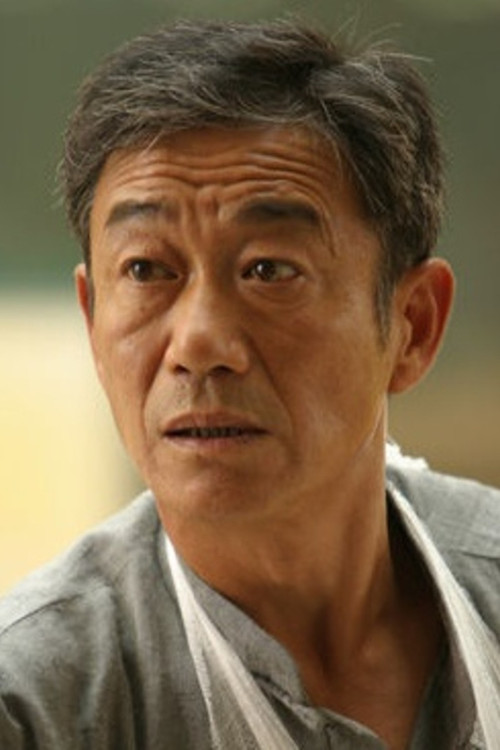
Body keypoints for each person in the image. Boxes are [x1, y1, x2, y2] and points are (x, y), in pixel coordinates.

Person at [1, 19, 499, 750]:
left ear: (412, 325)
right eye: (146, 270)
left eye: (268, 269)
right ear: (92, 320)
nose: (199, 343)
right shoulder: (33, 705)